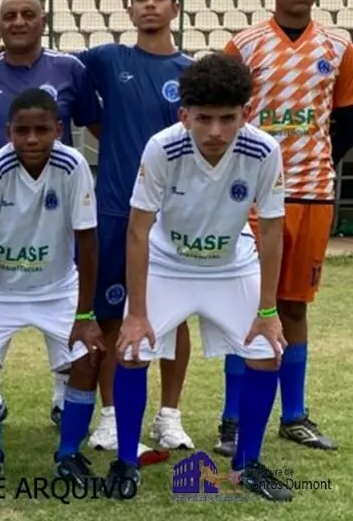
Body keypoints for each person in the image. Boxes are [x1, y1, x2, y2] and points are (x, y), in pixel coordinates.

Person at [0, 0, 196, 457]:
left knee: (168, 313)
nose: (150, 5)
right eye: (10, 16)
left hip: (150, 208)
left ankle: (167, 415)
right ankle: (109, 414)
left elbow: (94, 117)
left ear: (175, 6)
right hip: (82, 208)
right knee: (108, 315)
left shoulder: (79, 68)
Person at [108, 53, 291, 501]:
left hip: (230, 265)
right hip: (169, 264)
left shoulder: (264, 149)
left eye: (227, 119)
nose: (215, 131)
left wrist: (268, 310)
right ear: (183, 114)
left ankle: (248, 463)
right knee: (132, 351)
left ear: (245, 114)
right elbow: (137, 228)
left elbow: (271, 229)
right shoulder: (163, 146)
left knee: (267, 352)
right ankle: (126, 461)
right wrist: (135, 312)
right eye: (203, 118)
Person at [218, 0, 349, 455]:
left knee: (294, 305)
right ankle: (232, 418)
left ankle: (294, 415)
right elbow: (223, 113)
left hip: (311, 192)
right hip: (249, 194)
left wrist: (315, 158)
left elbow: (347, 118)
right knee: (248, 305)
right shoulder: (244, 45)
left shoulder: (339, 46)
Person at [0, 0, 102, 427]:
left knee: (77, 347)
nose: (19, 22)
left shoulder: (69, 68)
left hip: (53, 211)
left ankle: (65, 400)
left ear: (44, 22)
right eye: (9, 17)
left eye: (28, 15)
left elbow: (98, 125)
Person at [0, 88, 103, 489]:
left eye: (42, 130)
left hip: (57, 286)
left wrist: (86, 316)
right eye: (23, 131)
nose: (33, 139)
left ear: (59, 129)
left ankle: (69, 453)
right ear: (8, 132)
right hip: (3, 289)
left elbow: (88, 241)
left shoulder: (73, 165)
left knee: (89, 354)